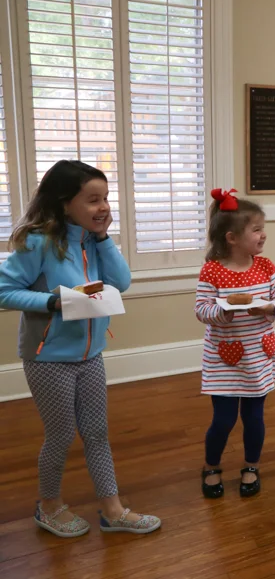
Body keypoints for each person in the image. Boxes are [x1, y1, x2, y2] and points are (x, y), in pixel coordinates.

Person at [0, 160, 161, 537]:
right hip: (48, 358)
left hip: (90, 355)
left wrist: (104, 238)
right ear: (64, 203)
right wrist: (51, 302)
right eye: (93, 200)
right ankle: (48, 506)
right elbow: (4, 291)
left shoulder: (93, 240)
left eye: (105, 198)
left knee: (97, 432)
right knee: (60, 435)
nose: (103, 207)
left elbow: (121, 282)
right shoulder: (38, 242)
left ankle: (112, 509)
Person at [195, 188, 275, 499]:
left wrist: (269, 307)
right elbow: (202, 310)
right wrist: (222, 312)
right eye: (256, 229)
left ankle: (252, 465)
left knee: (254, 418)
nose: (263, 235)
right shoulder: (212, 270)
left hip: (258, 357)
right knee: (223, 419)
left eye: (263, 228)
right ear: (232, 238)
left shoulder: (266, 267)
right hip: (223, 359)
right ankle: (211, 466)